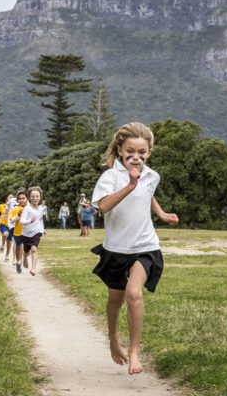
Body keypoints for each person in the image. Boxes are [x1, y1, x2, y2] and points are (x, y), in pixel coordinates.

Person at [90, 122, 179, 375]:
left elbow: (148, 192)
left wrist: (161, 213)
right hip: (116, 249)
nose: (136, 157)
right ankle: (113, 339)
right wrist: (129, 185)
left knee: (133, 293)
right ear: (119, 150)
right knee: (115, 299)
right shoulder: (110, 177)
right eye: (131, 151)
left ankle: (134, 351)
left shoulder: (152, 176)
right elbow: (104, 207)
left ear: (149, 152)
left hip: (145, 247)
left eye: (142, 152)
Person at [19, 186, 46, 276]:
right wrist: (29, 221)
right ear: (30, 198)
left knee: (34, 249)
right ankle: (25, 258)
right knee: (27, 252)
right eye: (33, 196)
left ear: (40, 197)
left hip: (36, 232)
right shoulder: (27, 208)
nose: (35, 198)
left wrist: (42, 229)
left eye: (37, 196)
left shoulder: (41, 209)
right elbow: (22, 221)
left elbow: (40, 220)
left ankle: (33, 268)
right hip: (26, 234)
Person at [8, 189, 28, 273]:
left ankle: (25, 258)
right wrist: (18, 215)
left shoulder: (29, 208)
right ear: (17, 200)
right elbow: (12, 220)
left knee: (28, 248)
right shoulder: (16, 209)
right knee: (18, 247)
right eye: (20, 199)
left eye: (23, 198)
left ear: (27, 199)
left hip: (27, 232)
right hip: (18, 232)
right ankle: (19, 261)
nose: (21, 200)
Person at [0, 193, 13, 261]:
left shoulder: (14, 206)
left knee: (9, 241)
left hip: (11, 226)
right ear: (6, 199)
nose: (12, 199)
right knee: (5, 234)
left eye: (12, 197)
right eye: (10, 197)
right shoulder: (1, 206)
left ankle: (7, 255)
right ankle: (3, 244)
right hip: (3, 224)